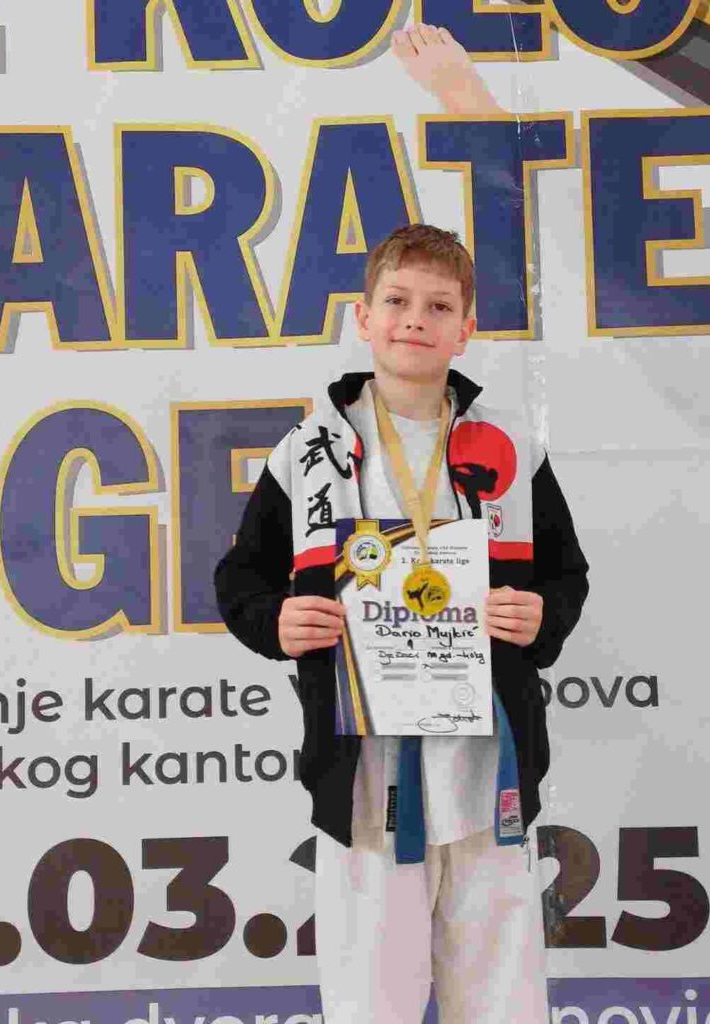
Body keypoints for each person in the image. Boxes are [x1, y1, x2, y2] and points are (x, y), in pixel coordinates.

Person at [214, 27, 589, 1024]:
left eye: (438, 305)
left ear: (468, 327)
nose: (415, 318)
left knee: (501, 993)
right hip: (365, 769)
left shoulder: (506, 447)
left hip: (487, 761)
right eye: (396, 301)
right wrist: (273, 621)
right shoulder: (308, 452)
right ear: (363, 317)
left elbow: (566, 575)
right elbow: (241, 576)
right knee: (369, 1000)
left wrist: (538, 615)